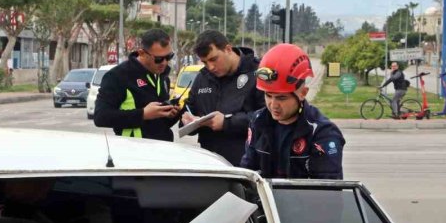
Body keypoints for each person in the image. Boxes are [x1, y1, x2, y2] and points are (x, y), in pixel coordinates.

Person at [241, 43, 345, 180]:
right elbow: (247, 173)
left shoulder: (322, 133)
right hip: (265, 200)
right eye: (268, 95)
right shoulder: (258, 121)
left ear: (303, 93)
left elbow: (327, 191)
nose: (273, 105)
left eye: (281, 98)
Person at [180, 30, 266, 165]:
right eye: (205, 62)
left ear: (228, 49)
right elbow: (189, 109)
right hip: (210, 165)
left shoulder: (258, 73)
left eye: (214, 59)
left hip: (247, 166)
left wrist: (227, 122)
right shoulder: (203, 77)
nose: (211, 67)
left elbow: (269, 116)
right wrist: (188, 121)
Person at [93, 28, 180, 141]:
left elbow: (158, 123)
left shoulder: (162, 77)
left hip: (162, 147)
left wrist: (172, 114)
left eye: (169, 57)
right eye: (158, 59)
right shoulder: (118, 76)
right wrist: (143, 114)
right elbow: (101, 117)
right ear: (142, 53)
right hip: (133, 150)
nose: (164, 62)